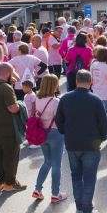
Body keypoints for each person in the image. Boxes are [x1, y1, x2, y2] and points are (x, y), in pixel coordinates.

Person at [55, 70, 107, 213]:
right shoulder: (95, 99)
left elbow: (59, 121)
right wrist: (102, 138)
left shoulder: (65, 98)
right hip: (92, 144)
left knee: (76, 177)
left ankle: (79, 208)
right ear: (91, 81)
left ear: (76, 81)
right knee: (89, 178)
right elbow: (103, 124)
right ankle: (87, 211)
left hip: (72, 144)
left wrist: (66, 132)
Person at [0, 63, 26, 192]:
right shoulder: (6, 88)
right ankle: (10, 183)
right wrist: (21, 104)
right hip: (8, 129)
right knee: (11, 156)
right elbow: (13, 109)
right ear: (8, 73)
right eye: (12, 73)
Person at [31, 74, 68, 202]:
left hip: (41, 133)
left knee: (47, 162)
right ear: (54, 85)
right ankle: (55, 193)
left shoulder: (36, 99)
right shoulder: (56, 101)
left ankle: (38, 189)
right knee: (57, 164)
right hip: (55, 133)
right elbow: (60, 118)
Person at [89, 46, 107, 145]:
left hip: (94, 93)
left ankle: (100, 137)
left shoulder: (93, 65)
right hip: (105, 95)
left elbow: (91, 80)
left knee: (96, 117)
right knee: (104, 117)